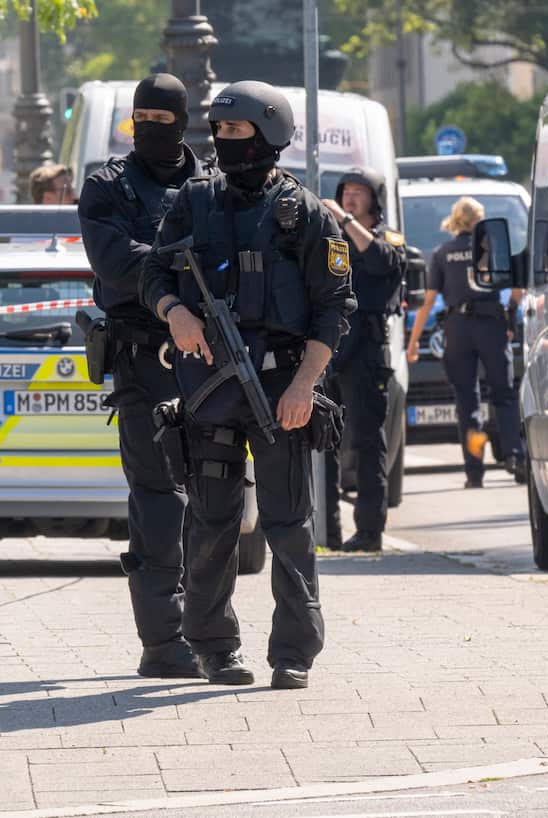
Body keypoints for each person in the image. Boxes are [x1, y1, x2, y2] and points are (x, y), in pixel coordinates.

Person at [141, 80, 355, 688]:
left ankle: (294, 652)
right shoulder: (193, 201)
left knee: (288, 523)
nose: (223, 142)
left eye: (235, 132)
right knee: (211, 523)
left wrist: (303, 387)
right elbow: (154, 271)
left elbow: (335, 307)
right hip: (210, 386)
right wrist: (174, 313)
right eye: (220, 132)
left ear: (270, 134)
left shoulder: (307, 213)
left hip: (281, 387)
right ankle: (213, 646)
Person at [78, 73, 211, 680]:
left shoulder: (211, 182)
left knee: (215, 497)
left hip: (209, 357)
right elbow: (113, 260)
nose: (151, 130)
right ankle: (162, 640)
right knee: (158, 499)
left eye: (163, 120)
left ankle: (211, 628)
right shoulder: (107, 185)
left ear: (183, 124)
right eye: (142, 121)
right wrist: (181, 280)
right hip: (143, 358)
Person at [407, 196, 526, 488]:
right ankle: (514, 457)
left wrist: (412, 342)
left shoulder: (442, 253)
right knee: (504, 394)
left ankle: (474, 472)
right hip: (491, 327)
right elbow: (517, 289)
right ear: (479, 220)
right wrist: (510, 318)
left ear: (455, 220)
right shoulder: (492, 247)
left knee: (467, 402)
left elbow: (429, 300)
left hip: (457, 329)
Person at [320, 168, 408, 552]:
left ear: (374, 198)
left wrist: (345, 219)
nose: (351, 197)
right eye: (346, 192)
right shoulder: (333, 237)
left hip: (367, 352)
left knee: (368, 442)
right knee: (321, 441)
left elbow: (382, 261)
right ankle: (327, 530)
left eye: (359, 192)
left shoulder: (386, 238)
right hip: (329, 346)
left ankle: (370, 530)